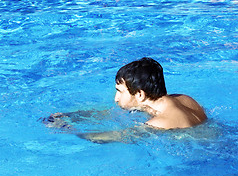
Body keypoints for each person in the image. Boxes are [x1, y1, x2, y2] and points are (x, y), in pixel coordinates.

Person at [43, 57, 207, 143]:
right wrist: (71, 116)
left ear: (140, 95)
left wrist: (70, 131)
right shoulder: (184, 99)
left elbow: (117, 137)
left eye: (120, 92)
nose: (116, 99)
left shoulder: (160, 123)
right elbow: (109, 114)